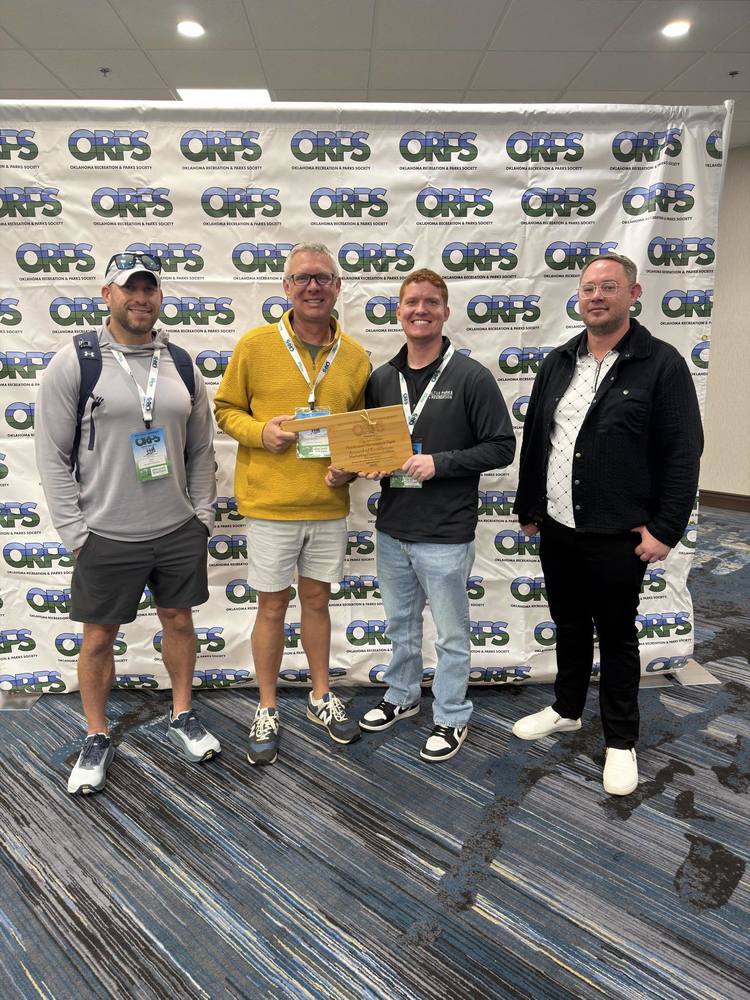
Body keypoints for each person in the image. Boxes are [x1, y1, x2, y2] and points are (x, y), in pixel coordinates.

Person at [511, 252, 703, 795]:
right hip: (559, 528)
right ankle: (568, 708)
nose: (597, 296)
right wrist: (530, 508)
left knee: (617, 636)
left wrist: (665, 529)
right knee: (568, 623)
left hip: (620, 534)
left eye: (609, 287)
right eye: (589, 288)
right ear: (579, 296)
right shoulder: (559, 361)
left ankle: (620, 741)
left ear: (633, 294)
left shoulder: (661, 364)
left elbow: (683, 453)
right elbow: (538, 441)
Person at [35, 250, 220, 796]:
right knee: (98, 640)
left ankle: (182, 712)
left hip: (175, 529)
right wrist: (75, 532)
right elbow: (50, 454)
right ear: (107, 295)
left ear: (160, 297)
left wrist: (201, 518)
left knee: (179, 624)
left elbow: (202, 448)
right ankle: (96, 735)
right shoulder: (77, 360)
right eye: (129, 289)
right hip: (105, 534)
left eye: (149, 290)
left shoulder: (181, 363)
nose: (141, 299)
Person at [214, 242, 370, 764]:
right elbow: (225, 409)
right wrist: (261, 433)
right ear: (286, 287)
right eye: (302, 278)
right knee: (272, 606)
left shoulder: (355, 357)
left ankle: (321, 696)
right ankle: (266, 706)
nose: (313, 287)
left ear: (337, 287)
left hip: (327, 504)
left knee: (318, 603)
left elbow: (361, 431)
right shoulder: (256, 345)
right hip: (270, 506)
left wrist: (349, 463)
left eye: (323, 278)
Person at [358, 268, 515, 761]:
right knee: (400, 626)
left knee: (451, 636)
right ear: (398, 312)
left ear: (445, 312)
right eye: (411, 302)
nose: (420, 310)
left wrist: (439, 463)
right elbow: (372, 448)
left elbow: (502, 447)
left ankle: (450, 716)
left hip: (446, 533)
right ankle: (403, 697)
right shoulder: (381, 379)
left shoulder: (471, 376)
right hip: (392, 529)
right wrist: (352, 468)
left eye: (430, 302)